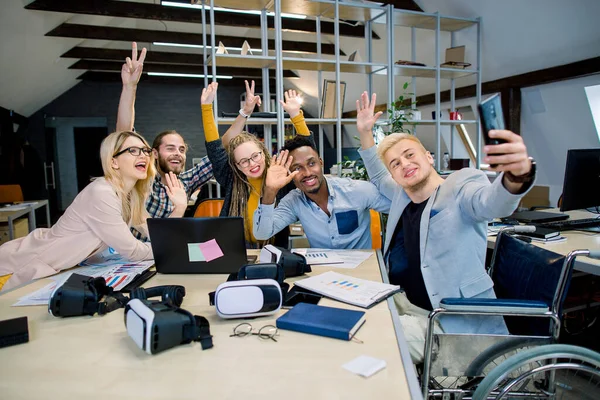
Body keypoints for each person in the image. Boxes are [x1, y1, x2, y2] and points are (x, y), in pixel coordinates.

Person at [355, 92, 536, 362]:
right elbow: (378, 174)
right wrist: (365, 133)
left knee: (370, 336)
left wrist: (516, 175)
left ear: (428, 157)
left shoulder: (461, 185)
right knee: (351, 315)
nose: (404, 164)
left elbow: (491, 203)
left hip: (449, 322)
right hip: (407, 304)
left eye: (409, 155)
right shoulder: (403, 193)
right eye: (396, 163)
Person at [0, 131, 185, 292]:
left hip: (54, 268)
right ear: (113, 162)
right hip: (22, 266)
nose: (143, 155)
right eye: (133, 151)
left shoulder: (130, 195)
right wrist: (170, 248)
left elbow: (155, 232)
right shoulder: (102, 193)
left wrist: (179, 208)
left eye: (145, 150)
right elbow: (133, 251)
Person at [116, 42, 212, 239]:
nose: (178, 153)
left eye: (182, 149)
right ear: (154, 153)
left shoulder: (185, 180)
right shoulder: (141, 177)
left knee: (214, 252)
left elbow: (220, 151)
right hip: (138, 255)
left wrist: (243, 113)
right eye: (170, 148)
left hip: (169, 247)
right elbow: (124, 134)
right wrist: (129, 88)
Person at [201, 81, 314, 247]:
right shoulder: (232, 178)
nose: (252, 164)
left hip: (271, 251)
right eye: (244, 161)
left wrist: (296, 116)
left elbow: (307, 151)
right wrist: (206, 107)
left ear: (264, 151)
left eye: (255, 156)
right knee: (197, 255)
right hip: (233, 248)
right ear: (237, 166)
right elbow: (214, 148)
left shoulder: (279, 177)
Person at [253, 136, 391, 249]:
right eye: (297, 168)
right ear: (290, 173)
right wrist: (270, 190)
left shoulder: (357, 190)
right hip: (323, 276)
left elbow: (397, 205)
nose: (307, 173)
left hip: (365, 273)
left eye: (311, 163)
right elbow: (262, 233)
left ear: (321, 163)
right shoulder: (293, 201)